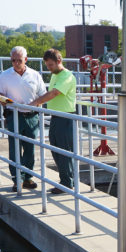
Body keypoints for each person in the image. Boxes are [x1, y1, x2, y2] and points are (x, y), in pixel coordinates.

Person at [0, 46, 49, 192]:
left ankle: (27, 177)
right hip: (14, 115)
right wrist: (5, 101)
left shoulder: (35, 75)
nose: (16, 63)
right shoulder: (5, 75)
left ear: (26, 59)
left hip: (32, 116)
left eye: (19, 60)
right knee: (14, 148)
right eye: (13, 60)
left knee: (30, 148)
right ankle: (16, 179)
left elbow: (43, 94)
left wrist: (36, 105)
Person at [38, 48, 78, 194]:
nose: (49, 68)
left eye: (51, 65)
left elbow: (54, 93)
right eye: (47, 65)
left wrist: (35, 102)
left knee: (64, 151)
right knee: (56, 149)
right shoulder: (56, 75)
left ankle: (67, 183)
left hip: (65, 117)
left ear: (59, 61)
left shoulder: (67, 76)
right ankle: (65, 181)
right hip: (56, 117)